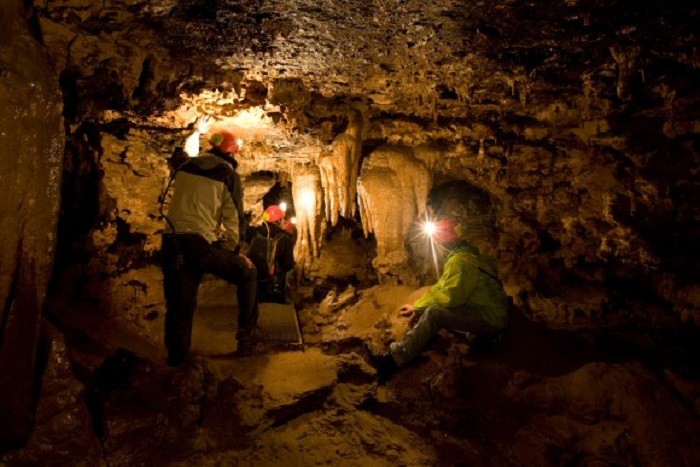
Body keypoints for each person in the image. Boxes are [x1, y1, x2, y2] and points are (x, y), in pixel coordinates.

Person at [161, 124, 258, 366]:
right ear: (231, 153)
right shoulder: (228, 175)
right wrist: (236, 251)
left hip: (172, 243)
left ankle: (176, 361)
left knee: (180, 305)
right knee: (247, 274)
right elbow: (234, 218)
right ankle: (247, 338)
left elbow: (177, 154)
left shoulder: (184, 165)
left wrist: (195, 131)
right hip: (199, 246)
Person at [365, 218, 509, 381]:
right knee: (436, 308)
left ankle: (394, 359)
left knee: (434, 313)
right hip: (488, 311)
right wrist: (418, 305)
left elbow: (450, 297)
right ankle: (480, 338)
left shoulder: (461, 261)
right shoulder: (468, 256)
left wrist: (419, 308)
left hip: (490, 317)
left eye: (441, 234)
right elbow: (442, 286)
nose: (437, 240)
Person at [246, 204, 295, 303]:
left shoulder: (254, 232)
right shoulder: (285, 238)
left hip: (255, 281)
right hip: (274, 283)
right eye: (282, 219)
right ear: (279, 221)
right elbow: (288, 264)